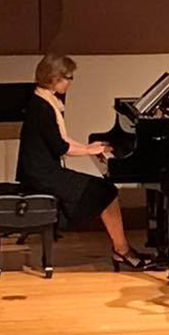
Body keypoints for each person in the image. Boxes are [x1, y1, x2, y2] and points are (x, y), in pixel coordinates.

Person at [17, 54, 149, 270]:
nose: (70, 82)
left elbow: (61, 140)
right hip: (41, 175)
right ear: (54, 78)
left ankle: (121, 248)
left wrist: (88, 148)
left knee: (105, 190)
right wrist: (89, 149)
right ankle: (121, 250)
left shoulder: (44, 100)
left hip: (43, 170)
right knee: (105, 191)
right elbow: (61, 147)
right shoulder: (41, 107)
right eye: (67, 78)